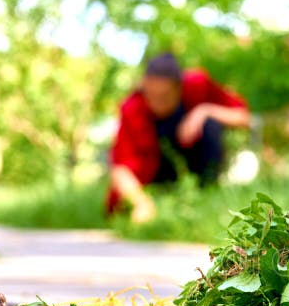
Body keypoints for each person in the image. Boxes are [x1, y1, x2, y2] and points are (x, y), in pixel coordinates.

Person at [107, 52, 250, 223]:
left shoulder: (197, 85)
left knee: (210, 125)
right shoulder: (132, 107)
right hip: (152, 177)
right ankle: (161, 203)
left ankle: (204, 197)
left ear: (179, 88)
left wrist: (204, 110)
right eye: (150, 95)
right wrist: (141, 203)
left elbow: (244, 117)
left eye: (164, 97)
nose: (156, 103)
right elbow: (120, 168)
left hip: (192, 164)